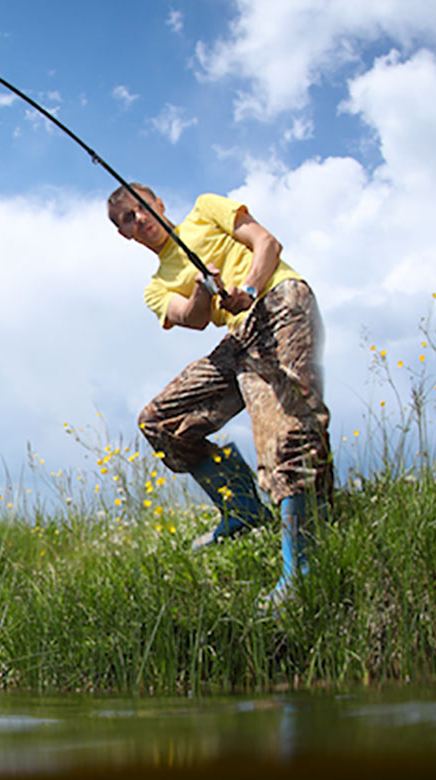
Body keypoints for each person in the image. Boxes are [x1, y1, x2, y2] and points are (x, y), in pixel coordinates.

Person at [106, 183, 332, 605]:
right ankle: (243, 510)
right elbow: (191, 319)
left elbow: (267, 242)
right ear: (125, 235)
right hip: (239, 337)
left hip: (278, 303)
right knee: (159, 421)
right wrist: (201, 289)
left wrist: (247, 288)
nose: (140, 220)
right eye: (128, 220)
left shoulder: (205, 210)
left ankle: (301, 570)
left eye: (141, 209)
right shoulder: (156, 286)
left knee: (285, 430)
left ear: (159, 202)